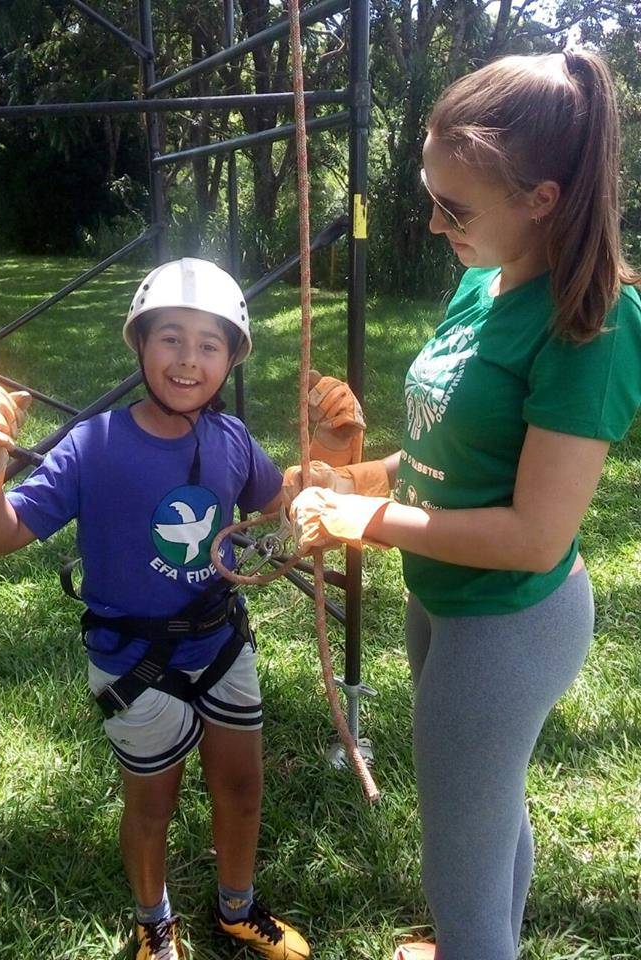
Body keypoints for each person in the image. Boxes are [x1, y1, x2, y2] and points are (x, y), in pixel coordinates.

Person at [285, 50, 641, 960]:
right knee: (488, 824)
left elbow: (535, 536)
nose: (435, 223)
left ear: (542, 199)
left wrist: (367, 523)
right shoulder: (483, 279)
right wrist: (358, 482)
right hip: (442, 598)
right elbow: (444, 458)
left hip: (509, 623)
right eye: (430, 196)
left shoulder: (592, 324)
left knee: (459, 878)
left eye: (456, 208)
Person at [0, 258, 314, 960]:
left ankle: (237, 908)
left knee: (242, 786)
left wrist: (330, 464)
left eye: (209, 345)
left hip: (221, 643)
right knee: (152, 804)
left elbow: (282, 510)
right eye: (171, 338)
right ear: (140, 343)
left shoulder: (231, 440)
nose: (188, 359)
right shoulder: (94, 447)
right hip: (134, 662)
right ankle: (154, 923)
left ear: (230, 360)